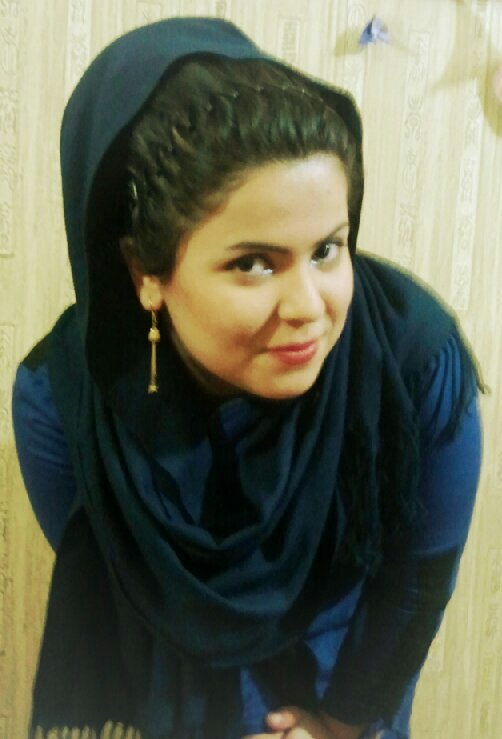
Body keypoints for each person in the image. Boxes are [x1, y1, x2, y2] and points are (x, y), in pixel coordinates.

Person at [12, 16, 484, 739]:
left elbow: (415, 582)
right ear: (144, 272)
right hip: (170, 704)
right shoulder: (63, 403)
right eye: (254, 263)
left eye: (328, 249)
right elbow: (127, 582)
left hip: (350, 695)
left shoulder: (415, 364)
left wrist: (340, 723)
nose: (309, 308)